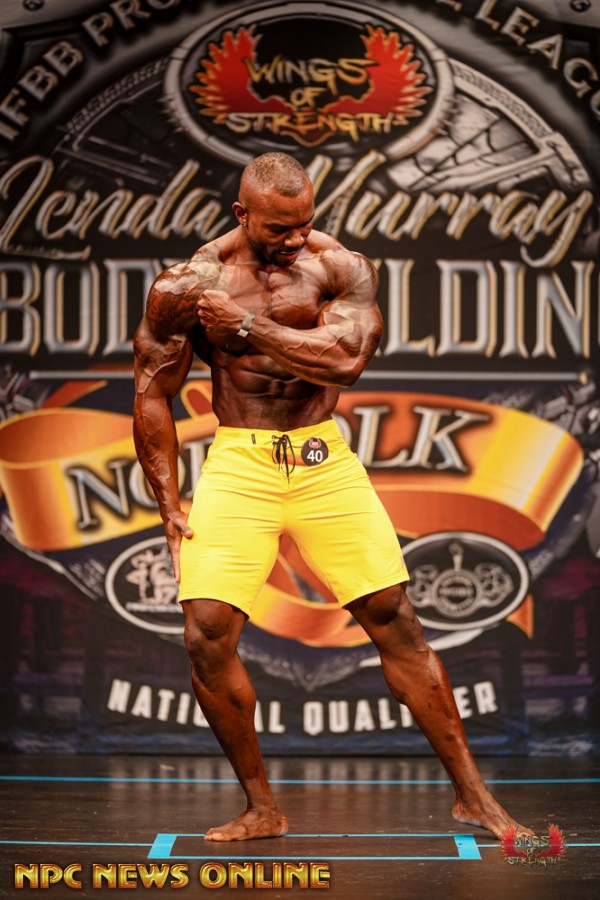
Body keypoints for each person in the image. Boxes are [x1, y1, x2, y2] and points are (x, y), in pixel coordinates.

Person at [133, 151, 530, 843]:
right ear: (242, 214)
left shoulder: (339, 266)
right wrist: (168, 502)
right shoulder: (188, 285)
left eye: (305, 222)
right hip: (240, 461)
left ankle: (474, 798)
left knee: (395, 619)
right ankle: (262, 807)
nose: (295, 238)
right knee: (206, 636)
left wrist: (248, 328)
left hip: (322, 460)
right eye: (278, 228)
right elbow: (151, 393)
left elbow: (346, 361)